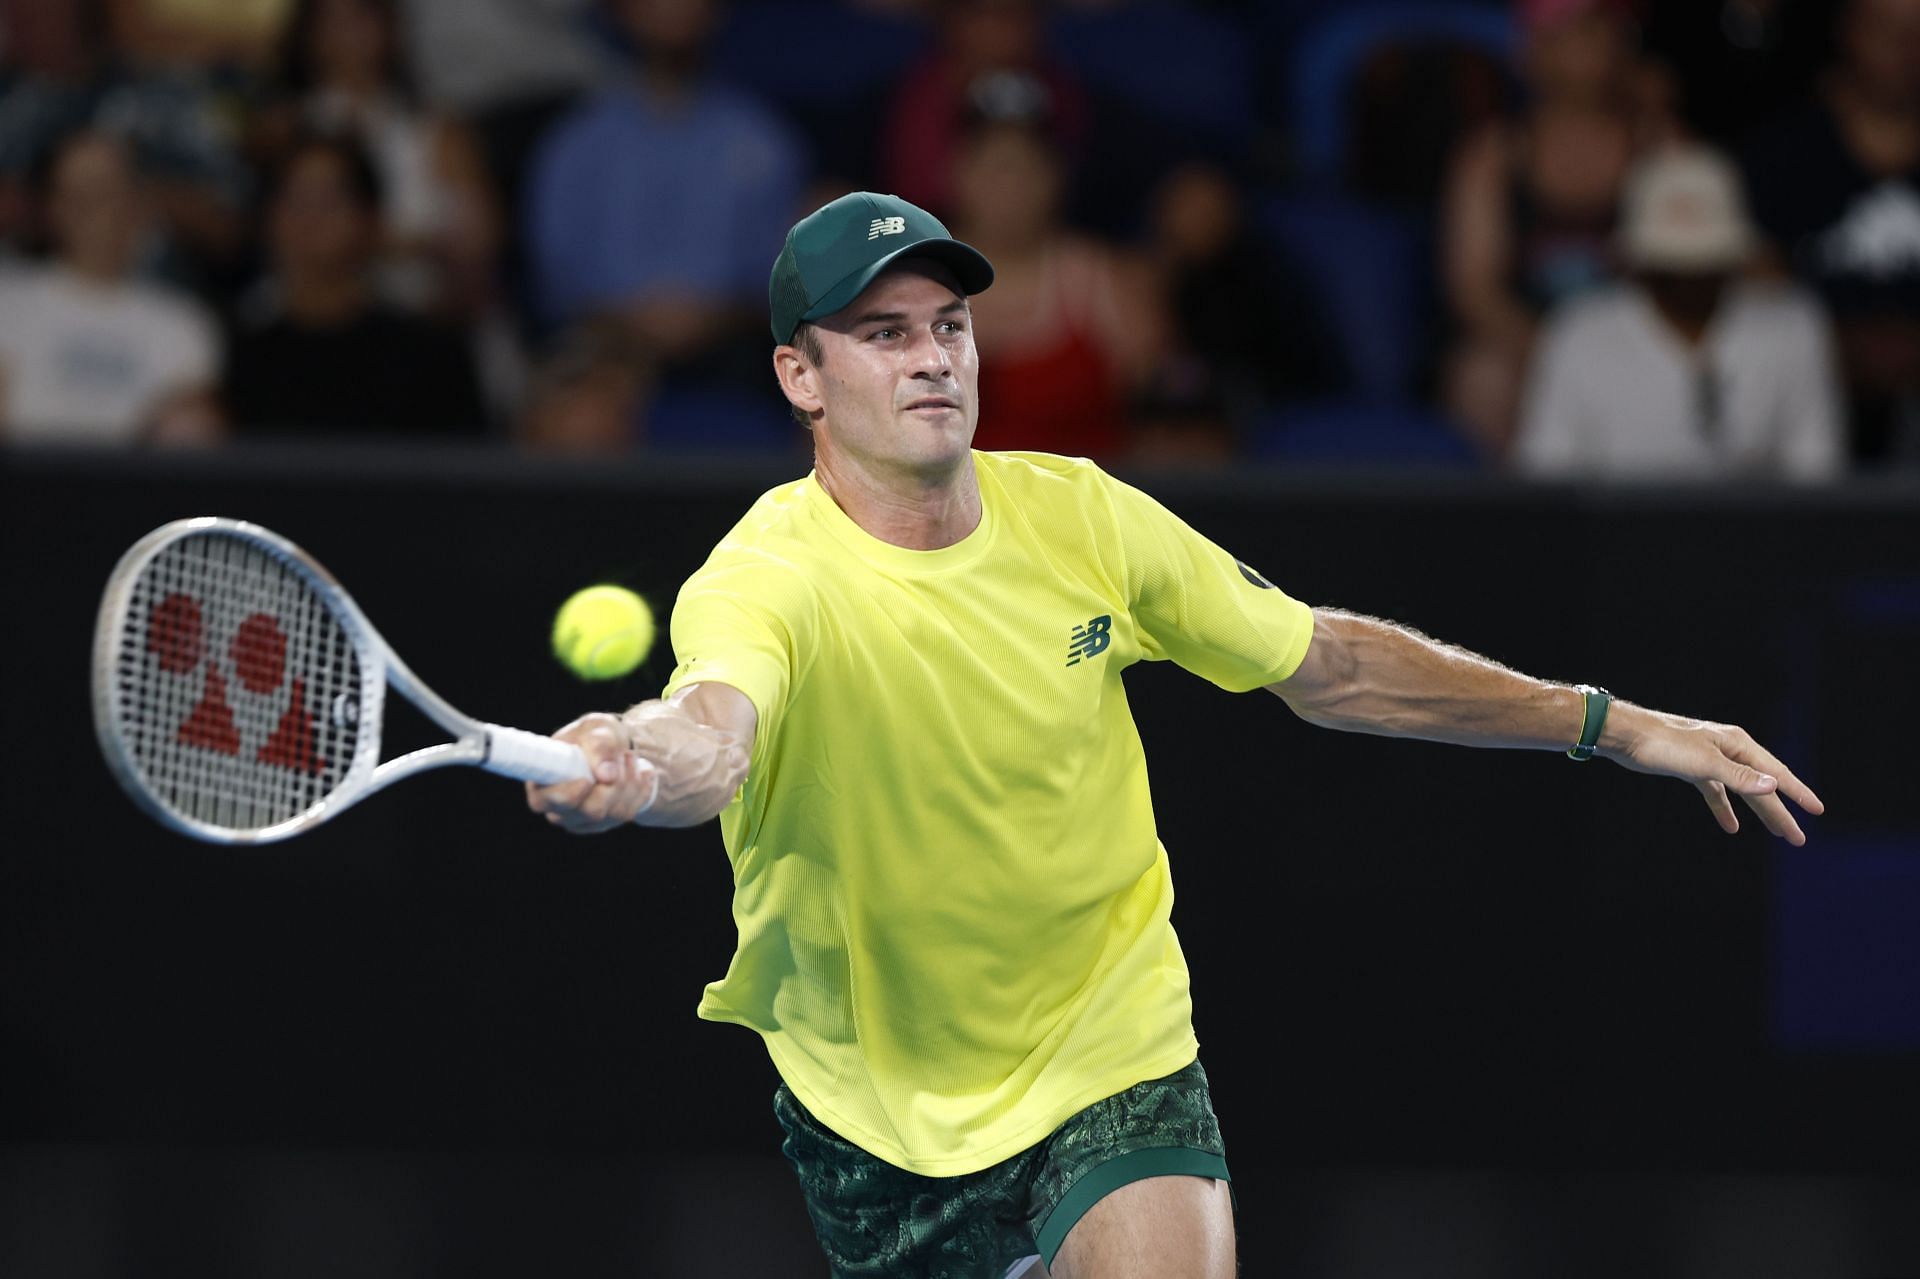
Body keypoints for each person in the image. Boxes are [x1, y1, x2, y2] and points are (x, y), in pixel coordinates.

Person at [524, 192, 1825, 1279]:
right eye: (880, 332)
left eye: (950, 324)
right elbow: (713, 734)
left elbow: (1332, 663)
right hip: (876, 1107)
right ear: (799, 376)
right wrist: (641, 760)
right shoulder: (764, 578)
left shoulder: (1086, 517)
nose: (932, 357)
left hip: (1112, 1044)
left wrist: (1608, 722)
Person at [1515, 146, 1845, 480]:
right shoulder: (1578, 334)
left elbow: (1815, 476)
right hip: (1618, 531)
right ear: (1638, 265)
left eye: (1702, 266)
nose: (1688, 284)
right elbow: (1548, 484)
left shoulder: (1792, 328)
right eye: (1670, 269)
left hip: (1755, 531)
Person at [1739, 0, 1920, 465]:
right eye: (1888, 31)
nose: (1908, 50)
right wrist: (1840, 347)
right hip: (1813, 403)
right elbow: (1755, 285)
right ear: (1848, 32)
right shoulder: (1782, 152)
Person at [224, 132, 486, 437]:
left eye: (329, 201)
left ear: (371, 220)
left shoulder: (433, 355)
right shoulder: (236, 357)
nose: (309, 219)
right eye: (292, 200)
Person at [0, 128, 223, 446]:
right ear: (52, 208)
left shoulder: (183, 323)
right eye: (77, 194)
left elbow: (187, 452)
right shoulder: (8, 303)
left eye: (107, 191)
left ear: (138, 203)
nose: (94, 211)